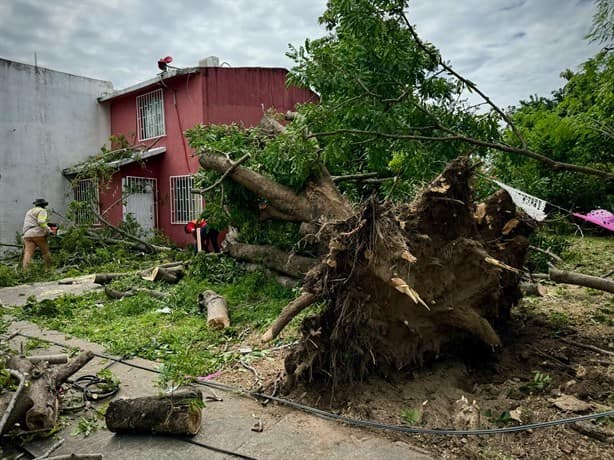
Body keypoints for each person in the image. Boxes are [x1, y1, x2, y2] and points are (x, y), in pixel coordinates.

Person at [22, 198, 52, 269]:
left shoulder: (29, 211)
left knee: (28, 253)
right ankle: (48, 270)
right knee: (45, 252)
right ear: (44, 205)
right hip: (38, 234)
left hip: (27, 234)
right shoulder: (42, 211)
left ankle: (25, 272)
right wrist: (49, 230)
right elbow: (41, 221)